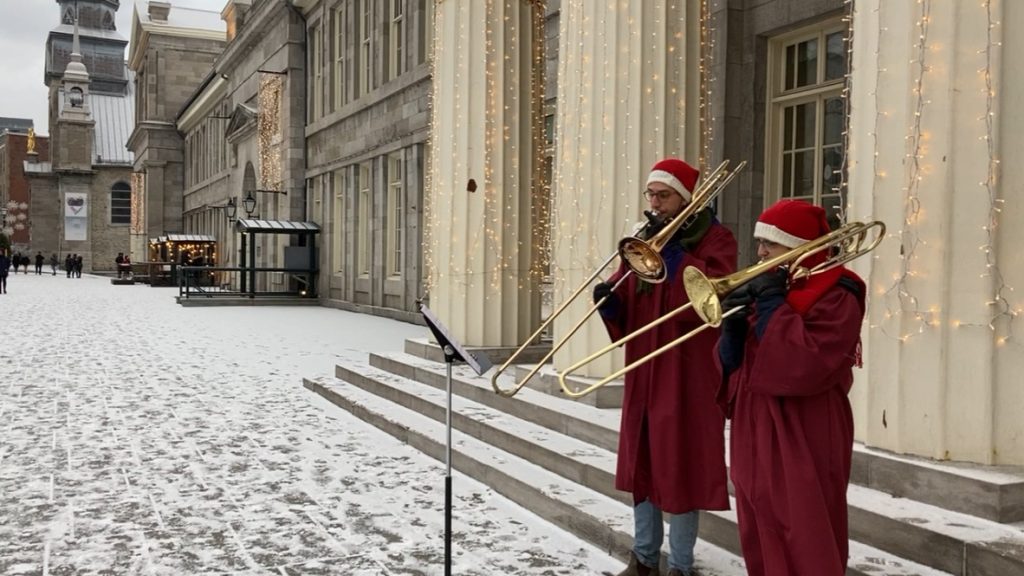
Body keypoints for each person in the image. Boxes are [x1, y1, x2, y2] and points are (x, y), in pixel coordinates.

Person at [593, 158, 736, 576]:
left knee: (683, 465)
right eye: (650, 195)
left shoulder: (715, 238)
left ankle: (682, 565)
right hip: (645, 368)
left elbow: (710, 302)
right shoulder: (644, 239)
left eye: (664, 195)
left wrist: (677, 260)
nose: (654, 204)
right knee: (644, 463)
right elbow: (627, 293)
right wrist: (612, 304)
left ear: (686, 199)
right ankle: (643, 557)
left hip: (686, 371)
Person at [716, 200, 867, 576]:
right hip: (756, 421)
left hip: (805, 424)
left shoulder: (840, 291)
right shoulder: (778, 284)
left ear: (802, 245)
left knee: (804, 528)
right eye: (760, 243)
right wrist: (731, 334)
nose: (761, 252)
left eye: (772, 244)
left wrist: (770, 305)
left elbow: (809, 363)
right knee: (760, 522)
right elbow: (736, 366)